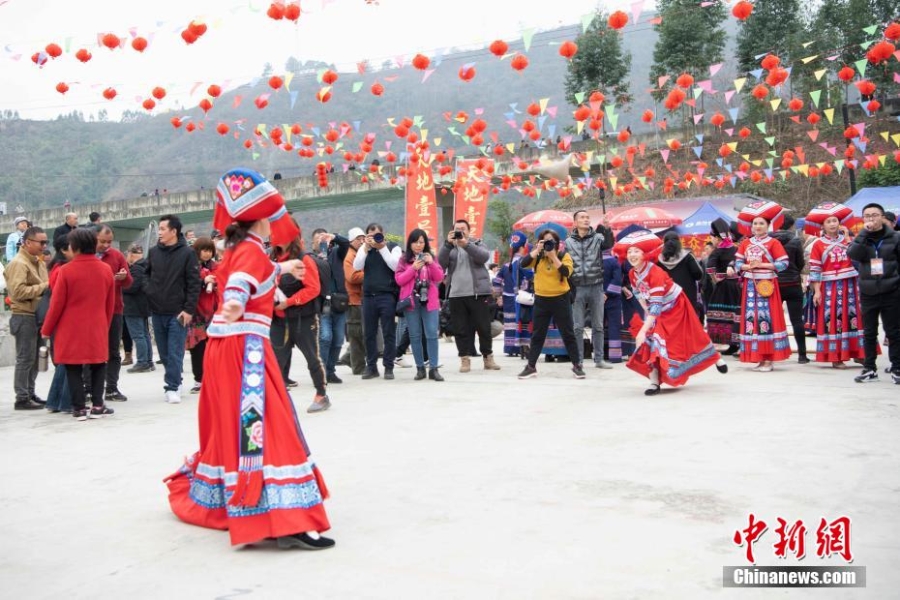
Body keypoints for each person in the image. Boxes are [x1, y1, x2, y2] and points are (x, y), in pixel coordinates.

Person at [164, 167, 333, 550]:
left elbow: (249, 273)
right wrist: (236, 304)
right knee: (264, 428)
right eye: (272, 216)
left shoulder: (244, 250)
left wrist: (280, 269)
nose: (276, 223)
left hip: (234, 350)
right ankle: (280, 514)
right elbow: (241, 283)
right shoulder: (251, 252)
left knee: (246, 430)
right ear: (260, 218)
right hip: (246, 355)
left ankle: (257, 504)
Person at [613, 229, 727, 395]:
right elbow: (641, 296)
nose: (632, 255)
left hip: (677, 306)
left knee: (692, 334)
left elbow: (657, 305)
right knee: (651, 341)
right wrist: (648, 320)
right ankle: (654, 382)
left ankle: (715, 358)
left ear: (645, 253)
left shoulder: (656, 272)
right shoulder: (632, 273)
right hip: (656, 309)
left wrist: (644, 328)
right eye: (629, 251)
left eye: (636, 251)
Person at [40, 228, 115, 421]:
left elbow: (56, 305)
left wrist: (47, 329)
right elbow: (110, 303)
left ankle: (79, 408)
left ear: (74, 247)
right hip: (97, 325)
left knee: (73, 367)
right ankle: (98, 405)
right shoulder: (105, 269)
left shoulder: (66, 271)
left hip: (70, 327)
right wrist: (104, 325)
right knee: (98, 364)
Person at [271, 226, 330, 413]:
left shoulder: (304, 259)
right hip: (278, 320)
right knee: (274, 362)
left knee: (312, 358)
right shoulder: (271, 260)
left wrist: (288, 302)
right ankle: (275, 402)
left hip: (303, 319)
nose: (274, 237)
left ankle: (321, 395)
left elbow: (313, 288)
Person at [145, 214, 201, 404]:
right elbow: (145, 275)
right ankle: (176, 380)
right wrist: (149, 290)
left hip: (178, 312)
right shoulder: (153, 253)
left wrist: (188, 310)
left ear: (173, 231)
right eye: (159, 229)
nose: (159, 232)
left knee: (175, 350)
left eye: (162, 229)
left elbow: (194, 284)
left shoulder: (187, 253)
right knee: (164, 353)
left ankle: (171, 386)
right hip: (157, 310)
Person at [516, 226, 584, 380]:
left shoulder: (563, 255)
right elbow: (523, 264)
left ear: (557, 242)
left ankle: (577, 365)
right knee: (538, 334)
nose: (548, 244)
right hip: (541, 299)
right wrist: (536, 250)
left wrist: (553, 257)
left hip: (561, 298)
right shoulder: (538, 257)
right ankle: (531, 366)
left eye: (551, 241)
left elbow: (567, 272)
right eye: (545, 241)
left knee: (568, 333)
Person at [438, 219, 501, 373]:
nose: (460, 231)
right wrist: (447, 244)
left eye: (463, 229)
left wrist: (466, 244)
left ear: (469, 230)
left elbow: (484, 257)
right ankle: (464, 359)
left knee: (484, 327)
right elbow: (440, 263)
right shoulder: (449, 247)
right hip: (456, 294)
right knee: (460, 329)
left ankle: (488, 358)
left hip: (478, 293)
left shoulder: (477, 243)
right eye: (457, 229)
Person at [848, 202, 900, 383]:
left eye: (874, 215)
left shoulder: (895, 237)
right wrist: (863, 233)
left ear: (882, 217)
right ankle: (869, 368)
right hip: (868, 291)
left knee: (893, 331)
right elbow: (853, 254)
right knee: (869, 332)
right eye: (867, 216)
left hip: (891, 290)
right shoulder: (862, 238)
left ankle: (897, 367)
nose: (871, 219)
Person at [807, 215, 864, 369]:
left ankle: (858, 353)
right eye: (828, 222)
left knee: (854, 317)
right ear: (822, 226)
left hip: (851, 284)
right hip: (829, 287)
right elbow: (815, 270)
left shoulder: (848, 240)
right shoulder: (818, 244)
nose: (832, 224)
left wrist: (848, 239)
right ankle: (836, 356)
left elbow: (859, 258)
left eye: (835, 221)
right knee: (833, 319)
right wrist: (817, 291)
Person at [736, 214, 792, 371]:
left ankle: (768, 359)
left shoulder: (774, 243)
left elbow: (783, 263)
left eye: (761, 223)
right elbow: (738, 263)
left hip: (767, 285)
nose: (758, 226)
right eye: (755, 223)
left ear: (768, 225)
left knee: (767, 318)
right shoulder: (746, 243)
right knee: (752, 319)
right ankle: (759, 357)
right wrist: (747, 267)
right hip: (750, 286)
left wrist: (762, 265)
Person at [6, 225, 50, 410]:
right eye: (41, 242)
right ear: (28, 242)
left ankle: (30, 392)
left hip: (37, 315)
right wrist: (45, 286)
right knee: (25, 358)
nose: (44, 245)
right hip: (23, 315)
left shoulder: (38, 261)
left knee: (35, 358)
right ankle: (21, 397)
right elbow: (17, 292)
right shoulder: (18, 263)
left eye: (46, 242)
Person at [352, 222, 402, 380]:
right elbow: (357, 265)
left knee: (388, 332)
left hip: (387, 295)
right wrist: (366, 248)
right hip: (368, 296)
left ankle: (389, 367)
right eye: (371, 235)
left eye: (378, 235)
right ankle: (371, 366)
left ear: (383, 234)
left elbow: (395, 266)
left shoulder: (393, 247)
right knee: (369, 333)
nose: (375, 238)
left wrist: (382, 248)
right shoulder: (364, 248)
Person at [395, 228, 445, 381]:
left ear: (425, 243)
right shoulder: (404, 260)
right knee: (415, 335)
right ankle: (420, 368)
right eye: (415, 242)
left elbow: (439, 278)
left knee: (431, 334)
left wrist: (431, 264)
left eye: (421, 242)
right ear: (410, 243)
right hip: (411, 302)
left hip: (429, 301)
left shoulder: (431, 258)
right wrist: (413, 268)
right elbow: (399, 280)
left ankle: (434, 368)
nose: (418, 245)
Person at [566, 210, 614, 369]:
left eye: (588, 217)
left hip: (596, 285)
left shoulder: (597, 237)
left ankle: (599, 359)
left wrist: (606, 228)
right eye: (582, 217)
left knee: (598, 325)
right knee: (577, 326)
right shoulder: (567, 243)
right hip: (577, 287)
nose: (586, 220)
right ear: (575, 222)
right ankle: (578, 360)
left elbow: (608, 244)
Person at [96, 225, 133, 402]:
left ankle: (111, 388)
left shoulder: (117, 255)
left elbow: (129, 282)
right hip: (93, 311)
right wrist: (110, 279)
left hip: (115, 309)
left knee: (113, 351)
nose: (106, 245)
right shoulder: (85, 256)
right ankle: (89, 388)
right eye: (102, 241)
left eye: (109, 242)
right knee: (93, 351)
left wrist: (123, 276)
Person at [315, 230, 351, 384]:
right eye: (318, 238)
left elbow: (346, 244)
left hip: (339, 302)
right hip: (323, 303)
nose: (321, 240)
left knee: (337, 340)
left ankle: (330, 371)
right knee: (325, 337)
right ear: (313, 243)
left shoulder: (337, 253)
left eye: (324, 237)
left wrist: (334, 237)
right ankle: (321, 372)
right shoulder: (311, 258)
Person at [771, 215, 808, 363]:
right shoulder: (795, 240)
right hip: (793, 284)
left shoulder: (770, 240)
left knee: (773, 319)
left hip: (774, 284)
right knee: (797, 320)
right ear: (791, 226)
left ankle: (773, 352)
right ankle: (802, 355)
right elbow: (800, 262)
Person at [44, 236, 74, 414]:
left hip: (62, 320)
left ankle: (55, 401)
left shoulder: (56, 268)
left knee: (65, 362)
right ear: (64, 250)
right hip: (66, 320)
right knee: (71, 361)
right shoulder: (63, 270)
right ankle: (66, 401)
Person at [187, 237, 218, 394]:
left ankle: (213, 378)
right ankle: (199, 379)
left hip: (213, 314)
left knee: (213, 349)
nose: (207, 254)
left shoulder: (216, 267)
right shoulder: (191, 267)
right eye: (204, 250)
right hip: (196, 314)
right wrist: (203, 278)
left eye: (210, 250)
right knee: (197, 348)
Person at [706, 218, 741, 356]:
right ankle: (735, 343)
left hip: (723, 287)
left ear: (717, 237)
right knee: (736, 315)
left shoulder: (717, 251)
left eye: (712, 237)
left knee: (720, 314)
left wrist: (716, 279)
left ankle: (725, 341)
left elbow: (709, 269)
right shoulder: (736, 248)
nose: (712, 240)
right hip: (737, 286)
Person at [492, 231, 530, 357]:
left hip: (508, 297)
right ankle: (519, 347)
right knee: (519, 322)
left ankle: (510, 348)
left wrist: (498, 295)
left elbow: (496, 280)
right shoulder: (524, 262)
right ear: (523, 246)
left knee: (510, 324)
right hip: (520, 298)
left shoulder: (508, 264)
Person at [657, 231, 704, 321]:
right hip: (687, 296)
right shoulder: (687, 256)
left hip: (668, 297)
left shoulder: (659, 259)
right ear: (679, 242)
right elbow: (698, 274)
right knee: (687, 321)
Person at [123, 244, 155, 373]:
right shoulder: (146, 267)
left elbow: (132, 287)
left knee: (138, 335)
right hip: (142, 306)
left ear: (131, 254)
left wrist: (120, 284)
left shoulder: (136, 269)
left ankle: (142, 361)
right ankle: (148, 361)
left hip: (134, 307)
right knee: (144, 334)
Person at [343, 227, 367, 375]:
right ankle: (358, 366)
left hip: (361, 299)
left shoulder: (359, 253)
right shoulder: (350, 256)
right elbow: (351, 277)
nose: (361, 241)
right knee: (357, 334)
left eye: (363, 238)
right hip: (354, 300)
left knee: (359, 333)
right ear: (351, 241)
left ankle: (347, 358)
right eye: (358, 239)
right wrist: (368, 272)